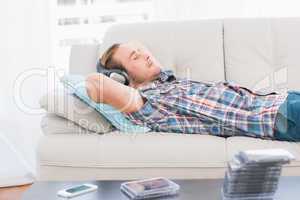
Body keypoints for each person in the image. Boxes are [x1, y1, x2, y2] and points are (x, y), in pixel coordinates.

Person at [86, 41, 300, 142]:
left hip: (285, 99)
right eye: (135, 57)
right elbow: (96, 85)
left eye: (142, 50)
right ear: (120, 77)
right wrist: (116, 82)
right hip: (279, 117)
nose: (146, 55)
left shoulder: (170, 84)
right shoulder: (147, 104)